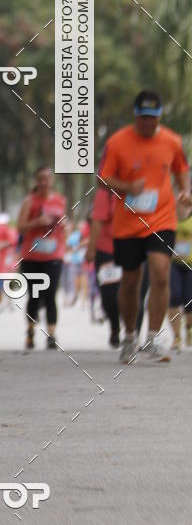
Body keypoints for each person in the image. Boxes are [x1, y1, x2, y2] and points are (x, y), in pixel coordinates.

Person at [98, 90, 191, 364]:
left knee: (161, 273)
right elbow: (102, 179)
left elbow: (181, 168)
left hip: (162, 219)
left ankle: (152, 337)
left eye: (152, 119)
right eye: (142, 119)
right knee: (130, 281)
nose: (147, 124)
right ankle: (129, 337)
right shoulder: (117, 143)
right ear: (135, 116)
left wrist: (184, 190)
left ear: (159, 117)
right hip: (128, 223)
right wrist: (127, 186)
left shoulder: (172, 141)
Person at [16, 167, 67, 350]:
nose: (44, 182)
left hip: (54, 254)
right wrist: (37, 222)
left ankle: (51, 335)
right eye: (41, 179)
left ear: (52, 180)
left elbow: (64, 226)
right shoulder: (30, 201)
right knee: (35, 295)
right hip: (32, 256)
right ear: (36, 181)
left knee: (51, 293)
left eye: (47, 178)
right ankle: (30, 331)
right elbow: (20, 227)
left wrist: (64, 228)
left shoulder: (60, 200)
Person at [86, 186, 121, 347]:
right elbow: (96, 221)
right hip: (107, 250)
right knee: (109, 295)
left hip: (135, 247)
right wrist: (91, 248)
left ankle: (132, 332)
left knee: (134, 291)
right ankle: (115, 326)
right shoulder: (104, 193)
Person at [168, 200, 192, 352]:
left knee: (189, 302)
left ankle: (189, 329)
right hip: (173, 263)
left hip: (190, 264)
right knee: (173, 297)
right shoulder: (169, 217)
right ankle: (176, 337)